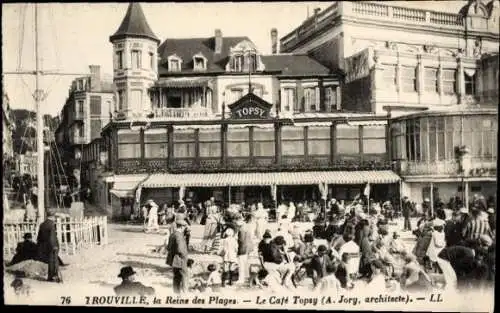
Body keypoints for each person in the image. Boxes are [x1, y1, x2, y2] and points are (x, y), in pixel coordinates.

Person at [36, 210, 61, 283]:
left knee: (50, 261)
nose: (55, 218)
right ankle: (55, 276)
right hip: (52, 245)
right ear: (52, 217)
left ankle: (50, 277)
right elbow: (52, 236)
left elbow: (39, 237)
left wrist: (40, 246)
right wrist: (54, 246)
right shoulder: (51, 224)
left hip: (45, 245)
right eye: (54, 217)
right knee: (54, 261)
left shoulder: (42, 224)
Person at [166, 217, 189, 294]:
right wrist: (185, 256)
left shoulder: (172, 235)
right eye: (185, 227)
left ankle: (176, 293)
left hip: (173, 260)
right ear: (182, 227)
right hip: (180, 260)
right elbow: (180, 249)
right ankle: (185, 292)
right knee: (184, 276)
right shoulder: (179, 236)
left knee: (176, 277)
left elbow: (168, 247)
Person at [236, 216, 254, 285]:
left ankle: (241, 279)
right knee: (246, 264)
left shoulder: (241, 230)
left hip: (243, 249)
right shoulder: (248, 228)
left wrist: (238, 251)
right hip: (248, 249)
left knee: (241, 265)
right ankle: (247, 277)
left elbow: (241, 241)